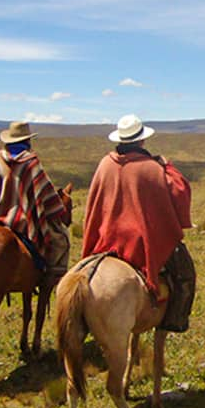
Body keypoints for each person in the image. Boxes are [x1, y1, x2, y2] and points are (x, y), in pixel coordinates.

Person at [82, 114, 192, 304]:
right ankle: (175, 319)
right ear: (142, 140)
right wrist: (167, 166)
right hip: (139, 241)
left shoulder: (104, 164)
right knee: (185, 273)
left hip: (105, 238)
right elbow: (179, 190)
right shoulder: (151, 167)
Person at [0, 121, 70, 279]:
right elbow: (45, 192)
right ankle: (50, 276)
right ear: (27, 141)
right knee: (61, 240)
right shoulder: (31, 162)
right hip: (23, 223)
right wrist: (57, 208)